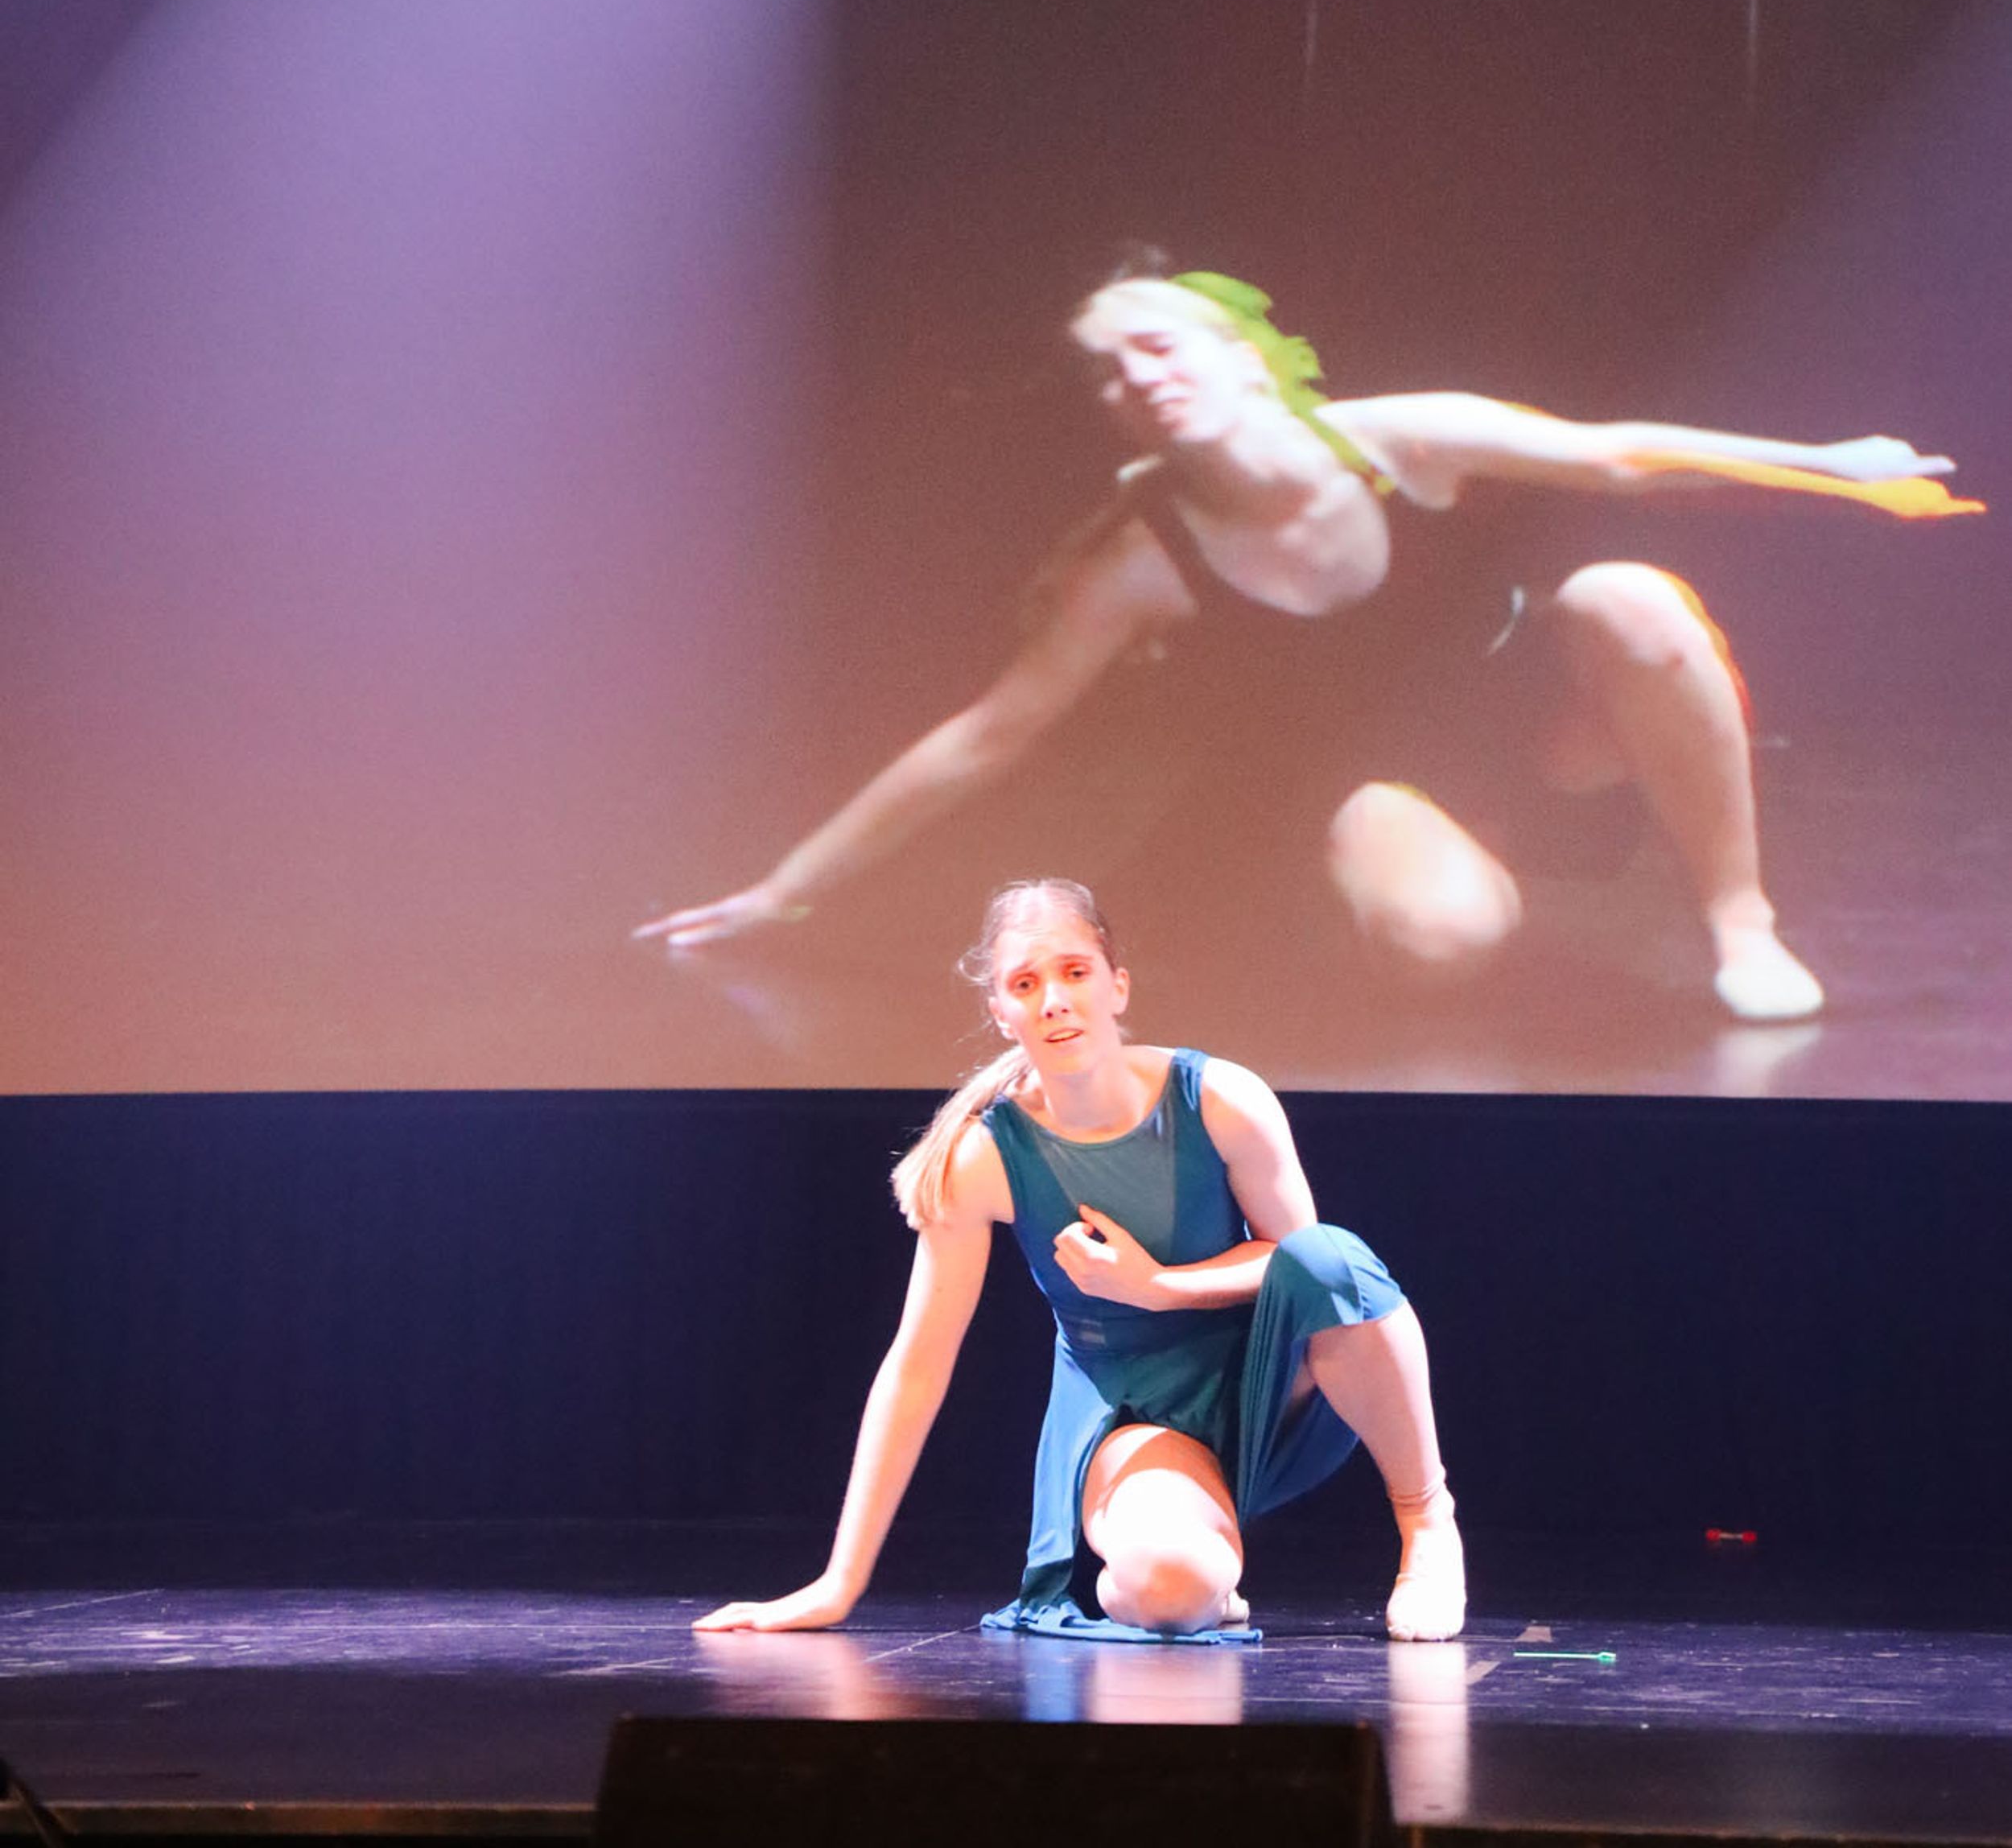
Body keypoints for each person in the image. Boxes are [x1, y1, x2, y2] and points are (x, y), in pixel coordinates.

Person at [640, 267, 1979, 1021]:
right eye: (1114, 372)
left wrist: (1834, 467)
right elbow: (989, 733)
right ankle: (1433, 880)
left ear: (1245, 356)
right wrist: (786, 889)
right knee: (1445, 943)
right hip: (1385, 781)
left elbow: (1620, 456)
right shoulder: (1141, 560)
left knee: (1627, 594)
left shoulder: (1398, 438)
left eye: (1159, 344)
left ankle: (1741, 926)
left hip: (1542, 733)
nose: (1140, 374)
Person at [695, 876, 1466, 1644]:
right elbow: (918, 1364)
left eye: (1074, 972)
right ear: (1001, 1012)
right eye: (1025, 984)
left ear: (1116, 986)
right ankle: (1175, 1566)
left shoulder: (1221, 1098)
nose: (1054, 1000)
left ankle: (1427, 1522)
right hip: (1136, 1415)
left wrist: (1157, 1286)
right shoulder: (983, 1158)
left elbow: (1302, 1271)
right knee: (1170, 1588)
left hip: (1272, 1394)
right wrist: (838, 1583)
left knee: (1336, 1261)